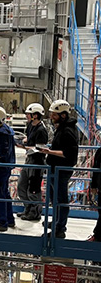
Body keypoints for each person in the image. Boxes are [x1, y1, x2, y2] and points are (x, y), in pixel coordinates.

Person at [39, 100, 79, 239]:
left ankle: (60, 229)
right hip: (55, 169)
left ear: (63, 115)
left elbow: (68, 154)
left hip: (62, 170)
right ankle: (56, 222)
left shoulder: (68, 131)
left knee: (61, 200)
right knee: (55, 199)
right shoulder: (62, 128)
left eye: (54, 114)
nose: (51, 116)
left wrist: (49, 152)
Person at [16, 103, 48, 221]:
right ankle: (27, 208)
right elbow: (29, 140)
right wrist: (24, 141)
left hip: (37, 162)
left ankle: (35, 213)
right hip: (29, 160)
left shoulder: (41, 130)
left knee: (33, 188)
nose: (26, 116)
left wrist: (24, 147)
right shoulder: (30, 126)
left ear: (35, 115)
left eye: (28, 114)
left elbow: (40, 149)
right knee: (21, 186)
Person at [87, 147, 101, 242]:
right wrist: (94, 185)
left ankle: (97, 235)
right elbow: (96, 168)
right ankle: (98, 236)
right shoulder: (100, 151)